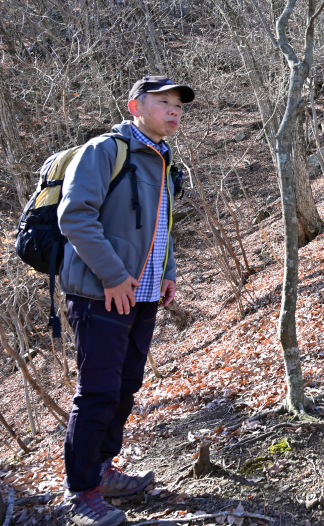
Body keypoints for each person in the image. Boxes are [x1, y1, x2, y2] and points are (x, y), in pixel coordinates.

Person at [59, 76, 195, 526]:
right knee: (97, 392)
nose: (174, 110)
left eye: (179, 105)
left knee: (124, 388)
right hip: (100, 292)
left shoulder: (162, 159)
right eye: (164, 102)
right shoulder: (104, 151)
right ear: (135, 105)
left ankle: (102, 470)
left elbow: (161, 226)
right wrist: (115, 276)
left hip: (143, 295)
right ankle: (82, 493)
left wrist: (168, 273)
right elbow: (74, 216)